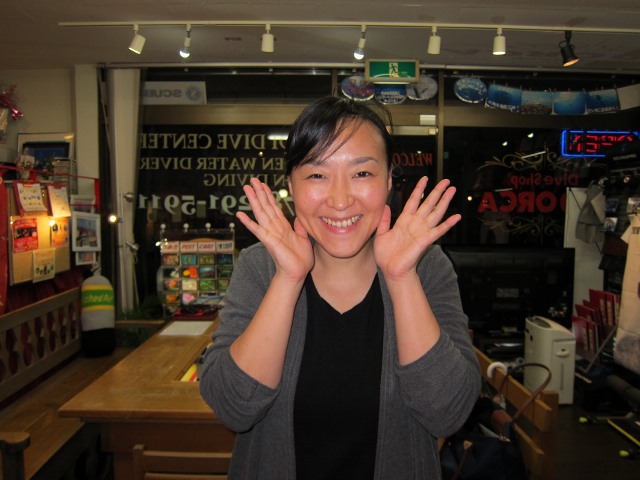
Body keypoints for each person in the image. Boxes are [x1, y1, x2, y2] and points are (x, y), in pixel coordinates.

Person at [199, 95, 481, 479]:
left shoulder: (427, 267)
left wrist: (402, 278)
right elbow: (233, 408)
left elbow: (447, 412)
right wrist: (287, 279)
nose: (340, 199)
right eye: (317, 175)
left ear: (388, 180)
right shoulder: (259, 268)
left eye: (361, 173)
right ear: (290, 186)